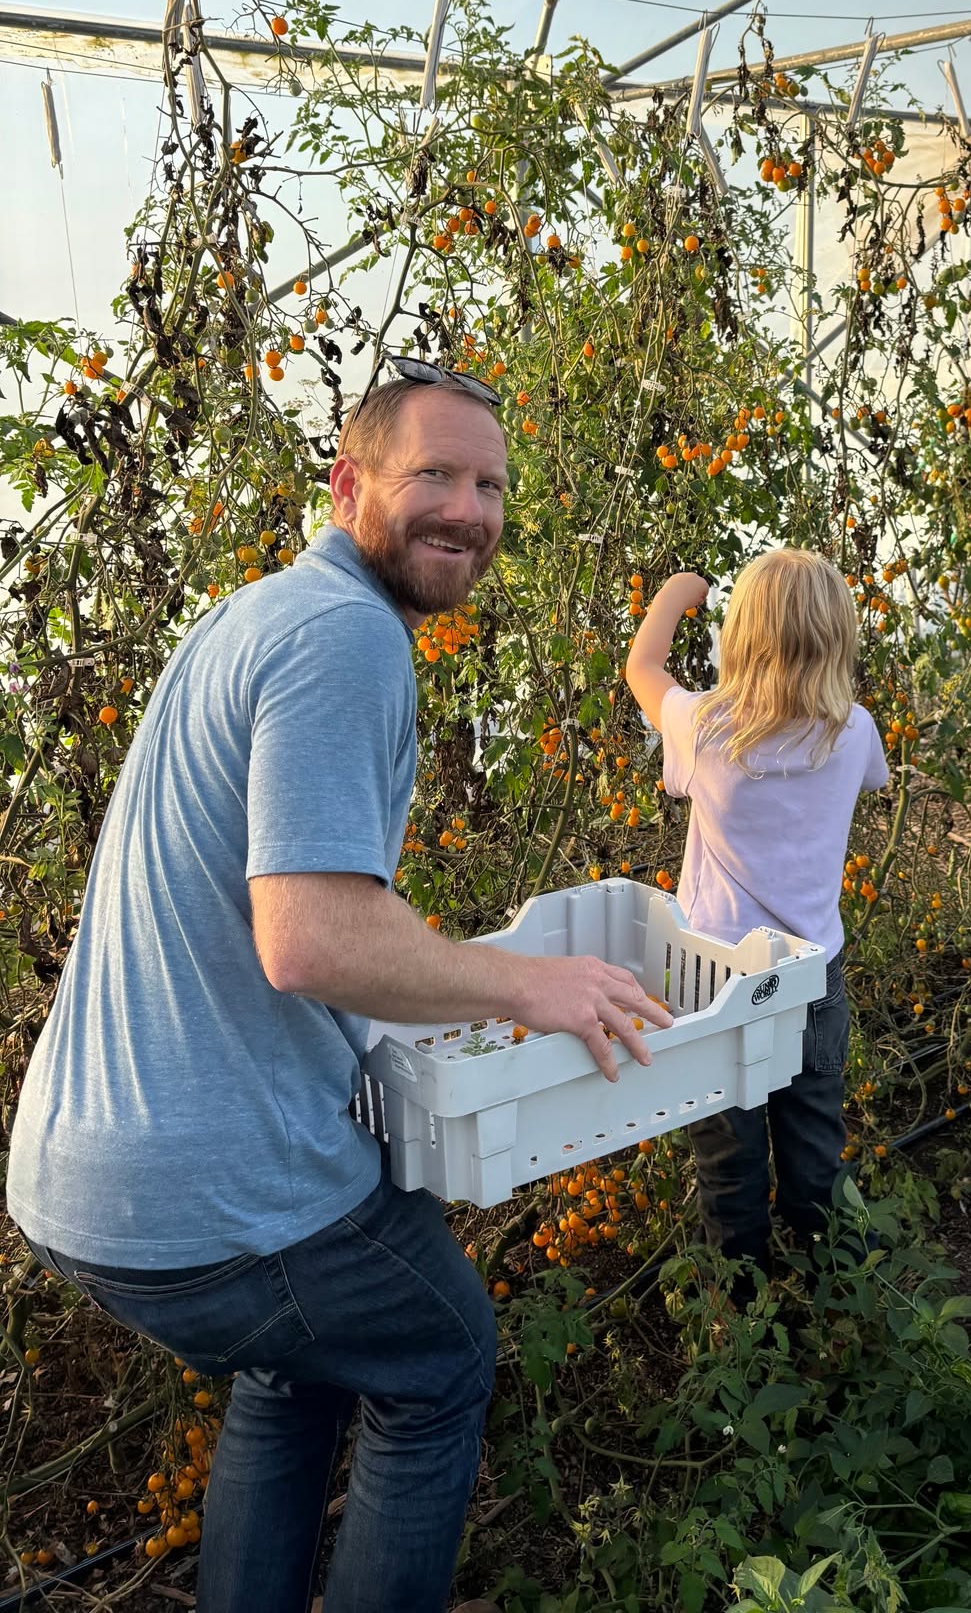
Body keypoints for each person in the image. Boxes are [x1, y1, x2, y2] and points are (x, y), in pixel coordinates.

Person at [6, 359, 668, 1613]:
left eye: (490, 484)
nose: (468, 508)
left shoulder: (253, 613)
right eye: (435, 473)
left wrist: (442, 986)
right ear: (349, 483)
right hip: (204, 1190)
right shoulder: (347, 636)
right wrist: (528, 986)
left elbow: (306, 917)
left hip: (76, 1174)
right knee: (443, 1353)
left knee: (294, 1361)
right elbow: (309, 940)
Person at [624, 550, 888, 1281]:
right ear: (838, 639)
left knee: (729, 1161)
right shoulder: (853, 730)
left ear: (741, 637)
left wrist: (677, 593)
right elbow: (871, 779)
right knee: (815, 1148)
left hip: (716, 982)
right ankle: (839, 1291)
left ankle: (741, 1310)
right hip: (812, 977)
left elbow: (642, 667)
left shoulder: (706, 727)